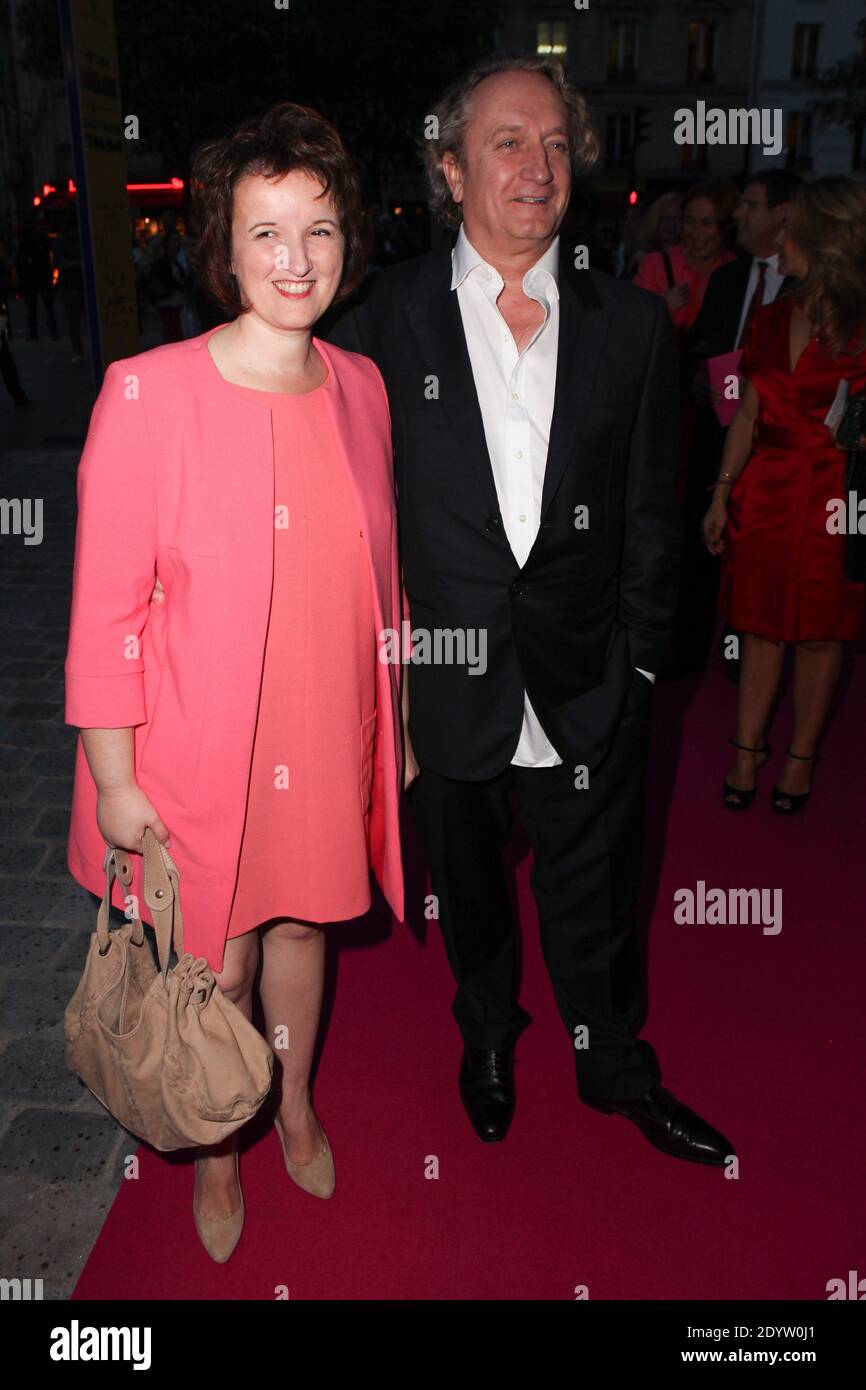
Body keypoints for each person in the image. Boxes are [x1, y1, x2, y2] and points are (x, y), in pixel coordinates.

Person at [328, 55, 735, 1165]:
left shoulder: (632, 327)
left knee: (593, 889)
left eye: (554, 143)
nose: (537, 164)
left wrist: (643, 668)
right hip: (446, 682)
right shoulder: (376, 322)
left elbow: (654, 515)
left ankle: (612, 1068)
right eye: (507, 141)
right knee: (469, 892)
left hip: (588, 679)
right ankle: (488, 1037)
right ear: (451, 168)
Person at [63, 101, 407, 1262]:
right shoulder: (146, 392)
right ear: (221, 248)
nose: (295, 258)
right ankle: (218, 1141)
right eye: (265, 232)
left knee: (306, 924)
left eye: (317, 228)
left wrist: (392, 724)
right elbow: (105, 610)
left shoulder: (360, 385)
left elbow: (384, 578)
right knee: (217, 950)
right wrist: (115, 781)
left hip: (323, 720)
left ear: (348, 242)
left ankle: (292, 1097)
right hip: (197, 743)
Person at [702, 176, 866, 813]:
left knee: (824, 634)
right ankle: (746, 750)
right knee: (759, 627)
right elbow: (744, 410)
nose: (781, 240)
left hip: (837, 496)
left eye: (793, 231)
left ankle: (799, 758)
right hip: (766, 489)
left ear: (823, 245)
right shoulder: (769, 317)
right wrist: (721, 492)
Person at [680, 170, 802, 677]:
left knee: (760, 561)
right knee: (699, 546)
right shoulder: (729, 278)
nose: (739, 215)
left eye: (751, 205)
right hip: (715, 435)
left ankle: (748, 654)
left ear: (782, 214)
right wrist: (698, 380)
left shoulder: (809, 286)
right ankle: (691, 651)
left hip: (781, 448)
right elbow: (699, 347)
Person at [633, 179, 738, 341]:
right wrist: (663, 308)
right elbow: (632, 326)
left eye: (707, 223)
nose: (696, 232)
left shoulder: (737, 269)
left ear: (726, 226)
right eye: (689, 221)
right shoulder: (655, 265)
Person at [51, 212, 86, 363]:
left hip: (76, 284)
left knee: (76, 320)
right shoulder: (63, 241)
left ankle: (79, 351)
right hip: (71, 285)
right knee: (74, 320)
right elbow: (59, 262)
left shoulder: (75, 240)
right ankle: (78, 350)